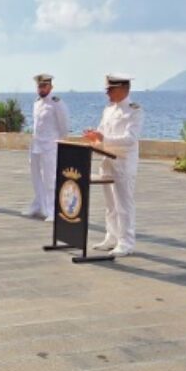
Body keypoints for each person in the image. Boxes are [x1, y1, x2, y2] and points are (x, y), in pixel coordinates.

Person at [83, 73, 144, 257]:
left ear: (123, 89)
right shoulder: (108, 109)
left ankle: (126, 242)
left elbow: (131, 139)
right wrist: (94, 137)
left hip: (123, 164)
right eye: (107, 89)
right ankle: (111, 236)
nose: (107, 93)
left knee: (123, 204)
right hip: (107, 161)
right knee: (110, 204)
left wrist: (104, 139)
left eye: (110, 89)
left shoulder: (135, 111)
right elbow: (101, 132)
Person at [24, 73, 70, 221]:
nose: (41, 88)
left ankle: (52, 210)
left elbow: (64, 127)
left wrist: (56, 142)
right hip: (36, 145)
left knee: (50, 179)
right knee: (36, 177)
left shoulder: (57, 103)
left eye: (44, 85)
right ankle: (38, 205)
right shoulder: (37, 103)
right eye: (39, 86)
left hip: (50, 146)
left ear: (51, 86)